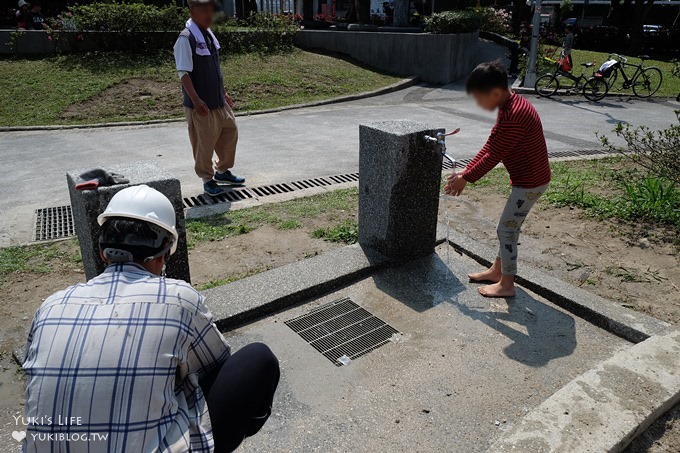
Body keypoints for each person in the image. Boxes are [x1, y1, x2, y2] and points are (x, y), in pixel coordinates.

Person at [22, 185, 280, 452]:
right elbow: (216, 367)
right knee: (256, 359)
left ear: (102, 252)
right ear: (164, 254)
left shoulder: (50, 305)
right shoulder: (179, 298)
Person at [445, 61, 551, 298]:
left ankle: (507, 284)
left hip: (531, 183)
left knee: (506, 230)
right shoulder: (509, 104)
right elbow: (491, 144)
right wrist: (465, 172)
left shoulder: (516, 114)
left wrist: (467, 178)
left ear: (495, 93)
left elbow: (495, 154)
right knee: (508, 228)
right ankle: (497, 270)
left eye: (480, 99)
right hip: (527, 179)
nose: (480, 105)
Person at [174, 0, 245, 197]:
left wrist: (224, 93)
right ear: (192, 12)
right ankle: (207, 180)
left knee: (230, 134)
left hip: (218, 100)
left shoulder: (208, 35)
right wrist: (196, 101)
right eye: (202, 10)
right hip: (201, 104)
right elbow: (184, 74)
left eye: (210, 10)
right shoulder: (186, 38)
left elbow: (215, 69)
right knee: (204, 144)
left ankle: (222, 171)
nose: (208, 15)